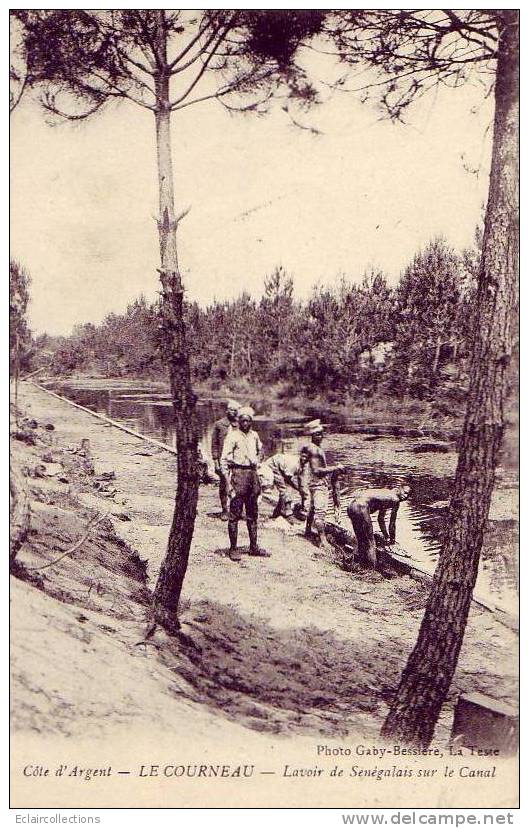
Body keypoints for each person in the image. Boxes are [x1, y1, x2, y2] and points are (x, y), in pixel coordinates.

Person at [220, 406, 270, 562]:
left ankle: (253, 547)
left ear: (251, 422)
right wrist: (228, 482)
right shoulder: (232, 436)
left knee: (252, 513)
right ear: (239, 421)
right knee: (234, 514)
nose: (246, 423)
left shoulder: (254, 435)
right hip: (238, 474)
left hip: (252, 475)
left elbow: (261, 449)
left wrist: (259, 458)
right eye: (243, 420)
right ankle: (233, 549)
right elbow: (224, 460)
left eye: (249, 420)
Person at [347, 485, 411, 568]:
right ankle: (371, 569)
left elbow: (380, 519)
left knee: (361, 538)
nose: (405, 497)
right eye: (405, 493)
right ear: (399, 489)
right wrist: (392, 540)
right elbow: (392, 524)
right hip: (361, 506)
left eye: (408, 496)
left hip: (351, 506)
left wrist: (386, 536)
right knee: (370, 541)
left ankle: (358, 563)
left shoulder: (387, 494)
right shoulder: (395, 500)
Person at [303, 420, 344, 551]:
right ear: (312, 435)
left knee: (313, 508)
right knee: (320, 512)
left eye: (321, 434)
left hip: (315, 483)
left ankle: (308, 531)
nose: (320, 437)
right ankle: (322, 540)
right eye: (317, 434)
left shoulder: (314, 448)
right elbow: (317, 470)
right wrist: (335, 468)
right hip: (318, 483)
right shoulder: (314, 449)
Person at [262, 443, 310, 524]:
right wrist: (297, 488)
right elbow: (288, 480)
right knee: (284, 489)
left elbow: (301, 481)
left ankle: (276, 512)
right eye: (303, 456)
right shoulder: (294, 464)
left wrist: (302, 493)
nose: (304, 459)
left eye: (307, 457)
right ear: (300, 455)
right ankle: (288, 514)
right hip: (273, 466)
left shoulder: (304, 466)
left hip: (281, 468)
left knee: (285, 489)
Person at [211, 399, 240, 520]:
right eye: (231, 410)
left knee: (238, 484)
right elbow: (214, 444)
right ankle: (224, 509)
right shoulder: (219, 424)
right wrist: (216, 461)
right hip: (223, 460)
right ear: (227, 411)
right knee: (224, 484)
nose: (233, 412)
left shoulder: (240, 425)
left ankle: (236, 509)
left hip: (237, 460)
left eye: (235, 410)